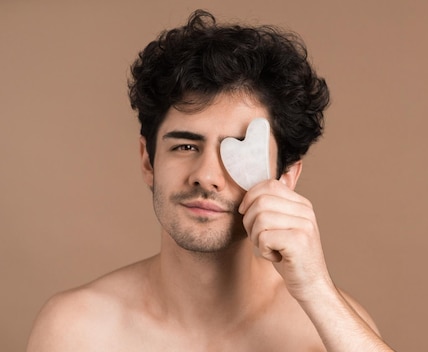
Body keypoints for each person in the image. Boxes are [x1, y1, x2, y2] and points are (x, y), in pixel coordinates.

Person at [27, 9, 394, 352]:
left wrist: (316, 290)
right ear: (147, 160)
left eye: (239, 151)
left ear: (285, 178)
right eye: (186, 145)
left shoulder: (327, 331)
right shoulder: (77, 331)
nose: (206, 175)